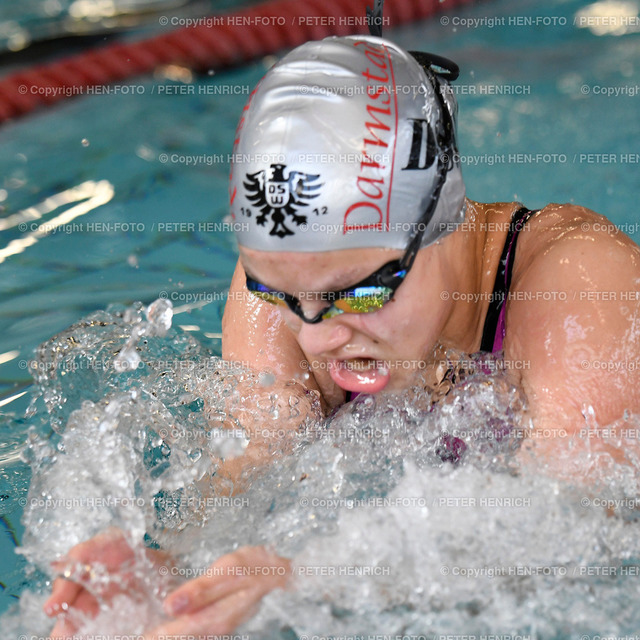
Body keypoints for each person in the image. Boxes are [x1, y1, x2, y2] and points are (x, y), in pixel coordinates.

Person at [44, 34, 640, 637]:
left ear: (439, 222)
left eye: (359, 292)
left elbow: (576, 527)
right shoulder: (287, 277)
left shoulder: (581, 284)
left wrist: (318, 579)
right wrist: (173, 574)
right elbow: (253, 472)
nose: (319, 338)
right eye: (282, 297)